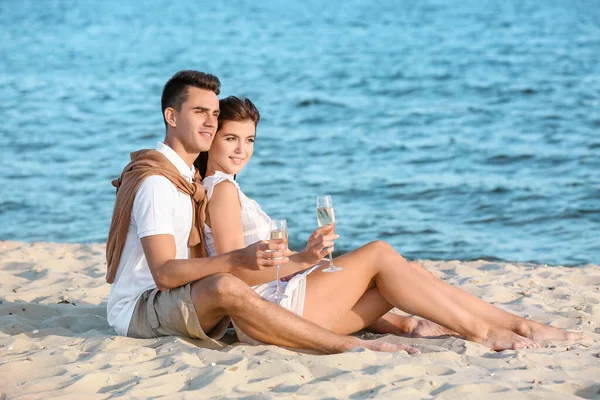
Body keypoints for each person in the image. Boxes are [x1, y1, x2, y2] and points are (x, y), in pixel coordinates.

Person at [197, 96, 592, 351]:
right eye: (232, 138)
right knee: (380, 253)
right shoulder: (223, 191)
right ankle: (485, 332)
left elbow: (253, 265)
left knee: (407, 273)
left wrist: (307, 258)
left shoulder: (228, 188)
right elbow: (235, 276)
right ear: (212, 138)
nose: (241, 150)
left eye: (249, 140)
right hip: (272, 314)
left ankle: (520, 325)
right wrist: (303, 259)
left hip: (284, 310)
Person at [105, 70, 417, 355]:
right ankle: (345, 346)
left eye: (214, 114)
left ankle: (413, 324)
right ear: (171, 117)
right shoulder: (158, 183)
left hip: (173, 295)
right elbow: (163, 273)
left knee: (383, 274)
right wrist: (233, 260)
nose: (210, 122)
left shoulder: (188, 179)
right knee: (225, 285)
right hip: (141, 307)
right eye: (199, 112)